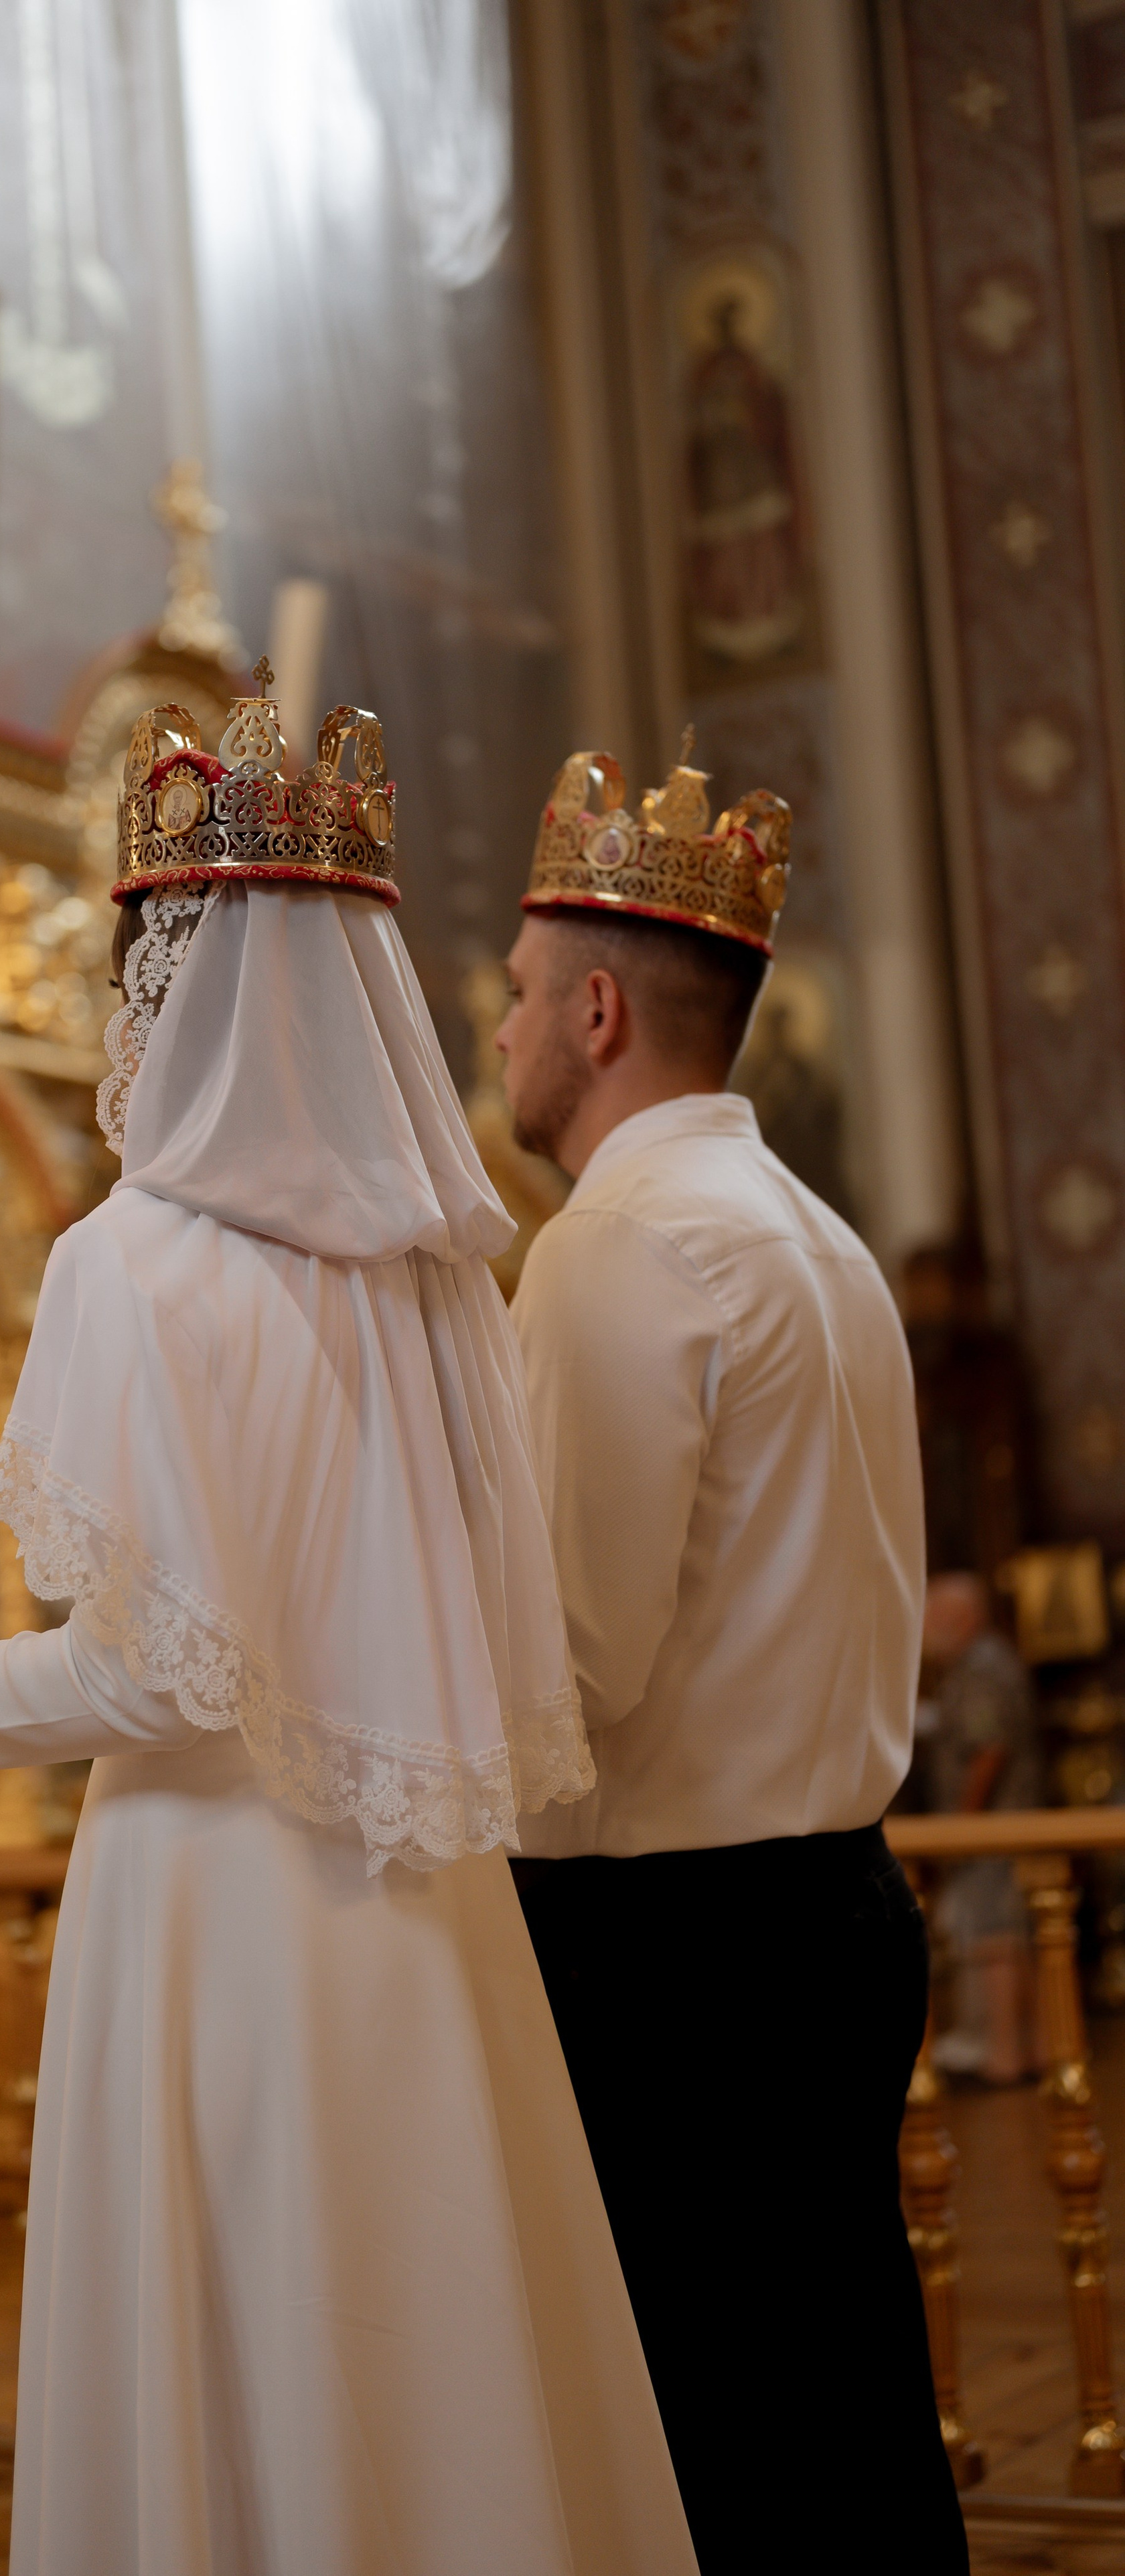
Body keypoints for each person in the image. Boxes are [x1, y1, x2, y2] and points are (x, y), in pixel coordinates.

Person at [0, 675, 698, 2576]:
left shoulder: (131, 1261)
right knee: (449, 2373)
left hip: (211, 1922)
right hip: (424, 1915)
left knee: (244, 2391)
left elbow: (166, 1672)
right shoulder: (422, 1286)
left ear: (171, 982)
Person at [496, 743, 968, 2573]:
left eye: (524, 996)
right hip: (835, 1910)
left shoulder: (618, 1246)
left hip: (678, 1960)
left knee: (711, 2469)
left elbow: (568, 1673)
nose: (509, 1030)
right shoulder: (825, 1243)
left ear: (601, 1008)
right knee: (849, 2441)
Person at [923, 1571, 1042, 2086]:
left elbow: (989, 1749)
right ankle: (1033, 2049)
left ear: (961, 1618)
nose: (923, 1626)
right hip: (1003, 1826)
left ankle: (1004, 2057)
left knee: (994, 1940)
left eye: (931, 1615)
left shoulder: (981, 1667)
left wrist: (961, 1828)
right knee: (1009, 1938)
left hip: (993, 1828)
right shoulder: (982, 1662)